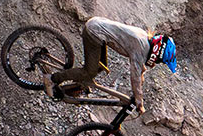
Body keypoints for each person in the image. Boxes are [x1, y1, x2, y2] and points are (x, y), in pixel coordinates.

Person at [46, 18, 177, 112]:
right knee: (89, 72)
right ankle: (52, 79)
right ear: (157, 54)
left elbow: (140, 67)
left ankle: (76, 86)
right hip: (94, 33)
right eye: (159, 61)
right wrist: (139, 101)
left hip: (98, 26)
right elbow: (135, 77)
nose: (156, 63)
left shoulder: (145, 39)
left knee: (100, 66)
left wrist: (143, 71)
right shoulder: (140, 48)